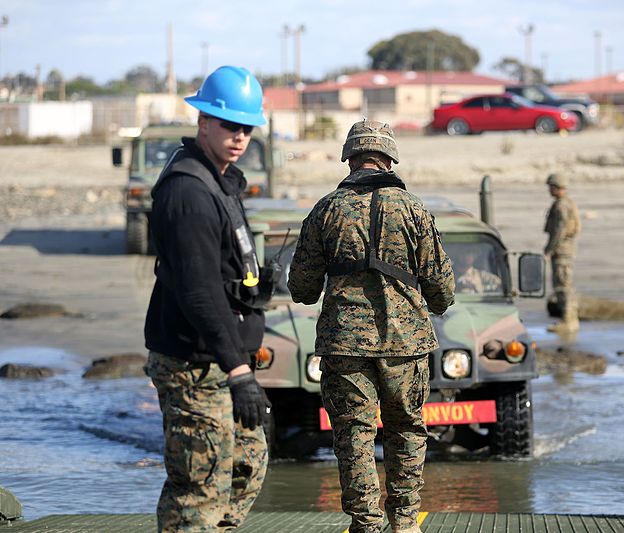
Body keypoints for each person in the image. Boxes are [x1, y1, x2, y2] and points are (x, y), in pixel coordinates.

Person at [288, 119, 455, 533]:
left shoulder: (325, 209)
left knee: (354, 435)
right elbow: (441, 285)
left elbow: (302, 287)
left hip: (344, 346)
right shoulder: (414, 208)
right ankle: (405, 521)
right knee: (407, 428)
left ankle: (366, 524)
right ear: (390, 157)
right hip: (406, 344)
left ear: (349, 158)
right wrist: (432, 301)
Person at [144, 65, 271, 532]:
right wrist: (239, 371)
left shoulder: (221, 181)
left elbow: (220, 271)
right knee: (198, 486)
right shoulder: (188, 191)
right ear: (202, 123)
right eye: (229, 125)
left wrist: (254, 285)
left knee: (245, 465)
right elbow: (198, 290)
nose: (239, 136)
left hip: (223, 356)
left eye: (246, 127)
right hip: (194, 362)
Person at [543, 172, 581, 334]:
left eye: (551, 187)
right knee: (563, 285)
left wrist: (549, 249)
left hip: (562, 251)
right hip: (565, 250)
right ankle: (568, 319)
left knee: (563, 286)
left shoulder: (562, 206)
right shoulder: (566, 203)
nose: (549, 190)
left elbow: (560, 230)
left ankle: (569, 320)